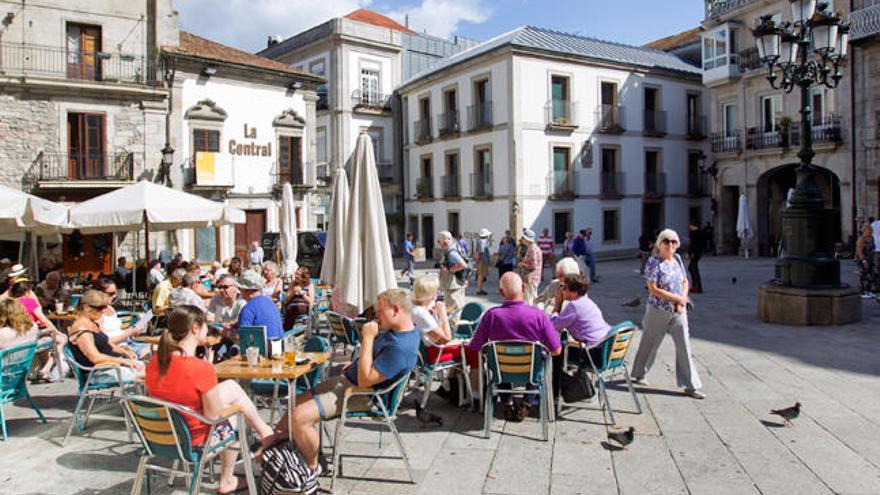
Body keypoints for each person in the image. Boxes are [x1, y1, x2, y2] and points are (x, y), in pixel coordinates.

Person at [275, 288, 420, 474]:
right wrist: (356, 363)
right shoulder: (400, 331)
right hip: (347, 382)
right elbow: (375, 362)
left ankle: (311, 468)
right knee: (295, 402)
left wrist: (367, 338)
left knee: (299, 417)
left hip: (362, 395)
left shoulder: (400, 347)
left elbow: (364, 380)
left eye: (380, 310)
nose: (375, 315)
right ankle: (269, 449)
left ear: (396, 310)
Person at [146, 306, 276, 495]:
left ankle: (265, 432)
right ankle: (228, 479)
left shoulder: (155, 362)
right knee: (233, 416)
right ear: (195, 328)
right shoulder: (200, 369)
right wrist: (237, 408)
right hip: (193, 439)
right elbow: (213, 415)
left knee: (231, 386)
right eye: (206, 324)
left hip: (160, 435)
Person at [467, 272, 561, 421]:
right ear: (523, 288)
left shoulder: (491, 316)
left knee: (497, 359)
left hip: (501, 372)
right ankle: (527, 402)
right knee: (538, 360)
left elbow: (475, 347)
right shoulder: (539, 316)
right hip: (531, 371)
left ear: (500, 292)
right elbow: (556, 350)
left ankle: (507, 402)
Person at [630, 229, 704, 399]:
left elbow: (685, 281)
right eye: (666, 241)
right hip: (658, 309)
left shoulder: (677, 259)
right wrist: (676, 298)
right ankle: (640, 373)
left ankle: (691, 385)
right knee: (650, 342)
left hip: (678, 310)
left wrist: (682, 299)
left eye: (673, 242)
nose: (670, 244)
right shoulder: (653, 262)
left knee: (684, 344)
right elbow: (653, 288)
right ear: (660, 244)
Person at [548, 274, 611, 402]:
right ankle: (565, 387)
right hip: (606, 349)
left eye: (564, 287)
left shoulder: (574, 306)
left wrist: (557, 306)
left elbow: (554, 326)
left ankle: (555, 394)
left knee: (556, 354)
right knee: (563, 348)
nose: (561, 290)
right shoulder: (587, 302)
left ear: (574, 292)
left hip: (594, 354)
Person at [68, 290, 143, 384]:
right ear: (86, 307)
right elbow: (95, 357)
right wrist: (122, 361)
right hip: (98, 373)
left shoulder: (91, 323)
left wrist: (124, 351)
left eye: (104, 307)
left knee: (149, 368)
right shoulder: (81, 329)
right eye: (99, 308)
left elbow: (107, 342)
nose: (103, 311)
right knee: (147, 374)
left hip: (110, 367)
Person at [10, 278, 66, 381]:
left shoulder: (10, 304)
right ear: (27, 291)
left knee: (45, 338)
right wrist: (57, 331)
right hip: (31, 341)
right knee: (62, 339)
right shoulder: (30, 302)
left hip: (15, 342)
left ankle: (43, 369)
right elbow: (45, 320)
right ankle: (46, 369)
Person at [91, 277, 149, 357]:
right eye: (111, 293)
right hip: (117, 349)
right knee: (156, 351)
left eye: (115, 293)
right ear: (99, 293)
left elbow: (117, 331)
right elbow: (103, 342)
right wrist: (128, 333)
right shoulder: (97, 315)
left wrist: (132, 331)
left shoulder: (110, 308)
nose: (114, 296)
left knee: (159, 349)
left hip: (128, 343)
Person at [411, 276, 453, 359]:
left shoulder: (410, 303)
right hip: (433, 352)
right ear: (429, 294)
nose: (438, 292)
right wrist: (442, 314)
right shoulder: (420, 313)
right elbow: (447, 339)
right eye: (437, 290)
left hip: (418, 350)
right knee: (473, 351)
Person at [237, 270, 283, 341]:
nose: (239, 292)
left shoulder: (248, 308)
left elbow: (244, 340)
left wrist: (227, 333)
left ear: (246, 290)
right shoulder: (270, 303)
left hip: (263, 350)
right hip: (279, 348)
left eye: (239, 289)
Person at [437, 230, 468, 316]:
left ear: (443, 241)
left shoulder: (451, 252)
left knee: (453, 311)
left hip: (453, 287)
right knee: (456, 308)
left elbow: (463, 265)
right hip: (455, 284)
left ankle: (454, 328)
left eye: (439, 241)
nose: (438, 243)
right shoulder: (454, 247)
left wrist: (451, 270)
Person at [518, 229, 542, 306]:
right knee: (533, 297)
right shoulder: (534, 248)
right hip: (534, 277)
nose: (522, 239)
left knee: (529, 299)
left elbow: (533, 266)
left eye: (523, 238)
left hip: (531, 278)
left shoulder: (532, 249)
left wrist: (523, 264)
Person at [856, 224, 875, 298]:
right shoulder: (861, 240)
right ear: (864, 231)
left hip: (870, 258)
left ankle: (869, 290)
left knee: (871, 275)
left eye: (871, 230)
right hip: (863, 259)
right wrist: (863, 261)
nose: (871, 232)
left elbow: (873, 248)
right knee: (864, 275)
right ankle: (862, 291)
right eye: (869, 230)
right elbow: (859, 251)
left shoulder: (871, 238)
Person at [687, 222, 705, 294]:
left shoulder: (693, 233)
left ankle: (697, 287)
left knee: (694, 269)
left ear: (692, 225)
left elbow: (693, 245)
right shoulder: (700, 232)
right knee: (691, 268)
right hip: (698, 252)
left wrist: (690, 253)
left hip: (694, 253)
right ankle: (696, 286)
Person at [474, 228, 492, 296]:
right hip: (482, 261)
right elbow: (480, 252)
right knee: (480, 276)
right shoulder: (482, 241)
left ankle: (480, 289)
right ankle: (479, 289)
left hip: (483, 261)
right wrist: (477, 260)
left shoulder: (483, 241)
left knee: (482, 276)